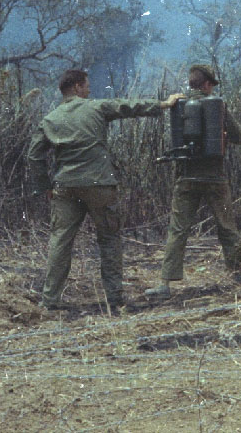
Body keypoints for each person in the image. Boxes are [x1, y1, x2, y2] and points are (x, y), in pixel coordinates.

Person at [27, 69, 185, 311]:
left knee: (60, 241)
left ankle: (49, 301)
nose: (89, 89)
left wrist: (44, 186)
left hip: (65, 186)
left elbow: (34, 156)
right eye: (86, 85)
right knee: (109, 239)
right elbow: (128, 106)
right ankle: (115, 299)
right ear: (77, 86)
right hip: (100, 184)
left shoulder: (50, 119)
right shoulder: (97, 107)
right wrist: (163, 104)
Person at [145, 64, 241, 299]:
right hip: (215, 179)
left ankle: (165, 284)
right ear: (206, 84)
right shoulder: (217, 106)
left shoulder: (179, 104)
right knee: (226, 227)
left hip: (186, 178)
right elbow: (239, 137)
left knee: (178, 230)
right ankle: (238, 275)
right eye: (211, 85)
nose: (212, 88)